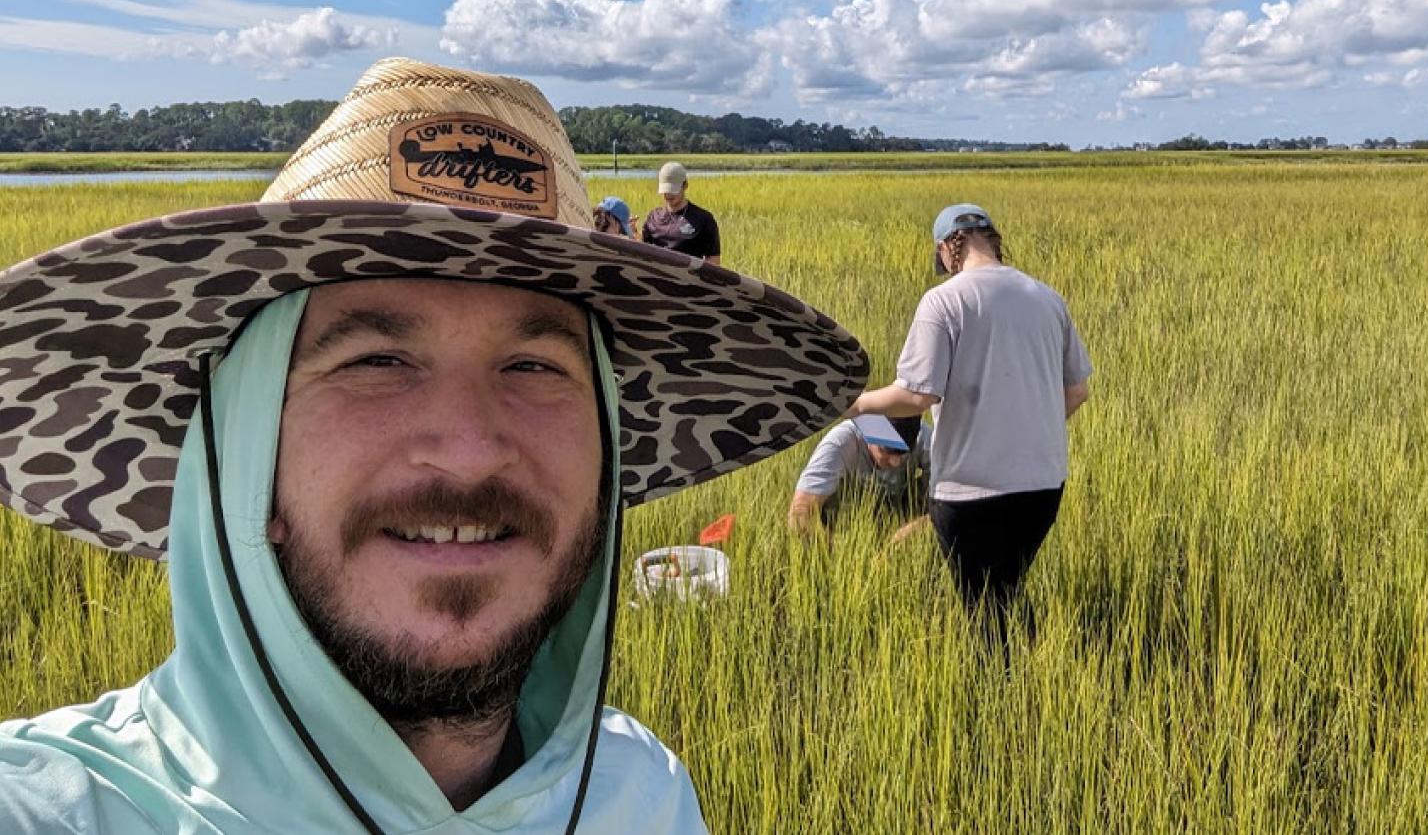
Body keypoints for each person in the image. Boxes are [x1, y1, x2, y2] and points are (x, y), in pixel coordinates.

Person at [0, 57, 868, 833]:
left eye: (534, 365)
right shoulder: (64, 806)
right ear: (243, 443)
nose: (468, 451)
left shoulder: (640, 794)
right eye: (376, 361)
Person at [845, 203, 1091, 644]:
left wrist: (855, 403)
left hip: (969, 490)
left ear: (946, 249)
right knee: (1007, 591)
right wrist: (1028, 430)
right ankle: (1036, 678)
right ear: (992, 240)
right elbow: (1077, 391)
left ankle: (999, 699)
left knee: (983, 611)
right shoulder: (1048, 298)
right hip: (1042, 486)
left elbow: (917, 394)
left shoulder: (945, 300)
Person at [788, 414, 931, 539]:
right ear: (869, 431)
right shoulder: (839, 444)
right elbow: (799, 514)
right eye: (886, 450)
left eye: (904, 453)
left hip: (895, 515)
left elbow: (952, 501)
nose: (895, 462)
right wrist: (841, 552)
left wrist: (915, 530)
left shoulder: (923, 435)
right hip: (841, 526)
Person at [638, 161, 721, 264]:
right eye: (666, 190)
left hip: (688, 279)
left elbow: (713, 260)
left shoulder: (704, 220)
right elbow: (643, 252)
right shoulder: (653, 217)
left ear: (685, 185)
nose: (668, 195)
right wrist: (632, 234)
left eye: (673, 190)